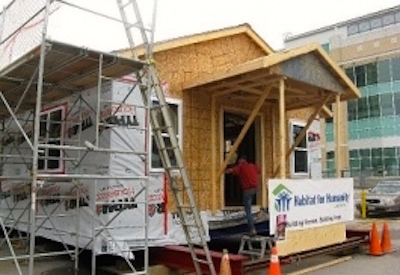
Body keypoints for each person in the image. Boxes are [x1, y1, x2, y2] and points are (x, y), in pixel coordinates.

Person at [226, 155, 260, 236]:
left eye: (238, 161)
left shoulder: (240, 167)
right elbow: (259, 170)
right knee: (249, 202)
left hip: (247, 190)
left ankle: (252, 229)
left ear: (240, 161)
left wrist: (222, 171)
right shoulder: (252, 166)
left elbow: (230, 171)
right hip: (255, 189)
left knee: (248, 210)